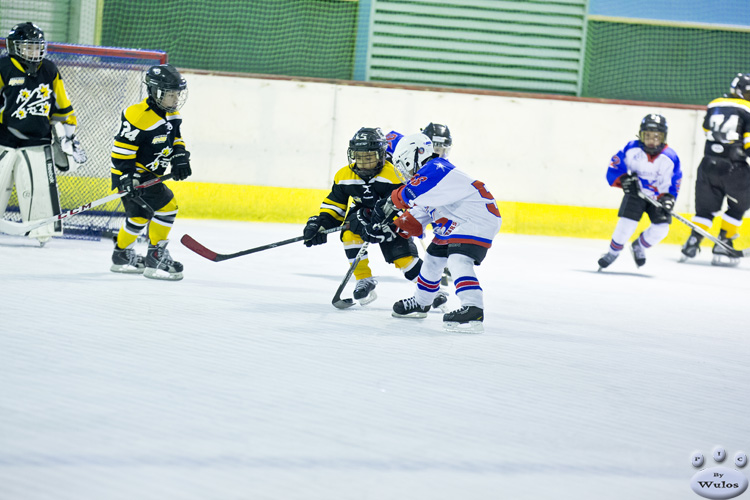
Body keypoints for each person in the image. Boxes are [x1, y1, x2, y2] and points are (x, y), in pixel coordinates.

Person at [367, 133, 502, 333]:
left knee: (458, 259)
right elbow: (414, 219)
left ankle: (473, 307)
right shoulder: (428, 184)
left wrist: (385, 205)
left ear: (415, 154)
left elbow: (407, 194)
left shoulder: (437, 169)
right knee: (432, 257)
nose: (403, 171)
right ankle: (422, 303)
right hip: (458, 221)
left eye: (403, 163)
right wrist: (389, 227)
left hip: (476, 219)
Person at [303, 127, 446, 308]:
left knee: (403, 259)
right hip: (362, 217)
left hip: (391, 220)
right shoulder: (343, 176)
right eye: (358, 156)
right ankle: (364, 279)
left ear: (380, 155)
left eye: (368, 157)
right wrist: (320, 224)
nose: (362, 162)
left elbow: (404, 205)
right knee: (349, 234)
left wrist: (388, 224)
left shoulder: (394, 174)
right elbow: (335, 205)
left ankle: (432, 290)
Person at [0, 22, 87, 245]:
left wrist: (69, 136)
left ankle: (43, 231)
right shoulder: (3, 67)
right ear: (14, 47)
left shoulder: (49, 69)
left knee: (40, 188)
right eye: (28, 47)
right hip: (3, 139)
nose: (34, 52)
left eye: (37, 47)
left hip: (38, 140)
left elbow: (63, 105)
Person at [109, 63, 192, 281]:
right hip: (134, 175)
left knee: (138, 217)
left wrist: (180, 156)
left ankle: (120, 256)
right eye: (170, 94)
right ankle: (156, 258)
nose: (175, 99)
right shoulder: (137, 116)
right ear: (155, 92)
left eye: (177, 94)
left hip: (150, 175)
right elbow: (121, 152)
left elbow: (176, 137)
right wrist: (127, 178)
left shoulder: (172, 113)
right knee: (168, 207)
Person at [680, 73, 750, 266]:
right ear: (739, 92)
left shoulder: (714, 104)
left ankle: (692, 242)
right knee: (738, 207)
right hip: (734, 169)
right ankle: (724, 243)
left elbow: (706, 131)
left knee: (704, 211)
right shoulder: (748, 108)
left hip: (708, 165)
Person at [597, 114, 682, 270]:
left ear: (663, 137)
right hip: (636, 194)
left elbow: (673, 181)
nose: (651, 140)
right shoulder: (631, 149)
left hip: (657, 198)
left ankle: (639, 246)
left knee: (661, 229)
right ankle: (612, 252)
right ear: (640, 135)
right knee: (626, 225)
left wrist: (668, 198)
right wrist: (624, 181)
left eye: (656, 136)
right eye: (647, 136)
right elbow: (614, 168)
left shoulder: (670, 157)